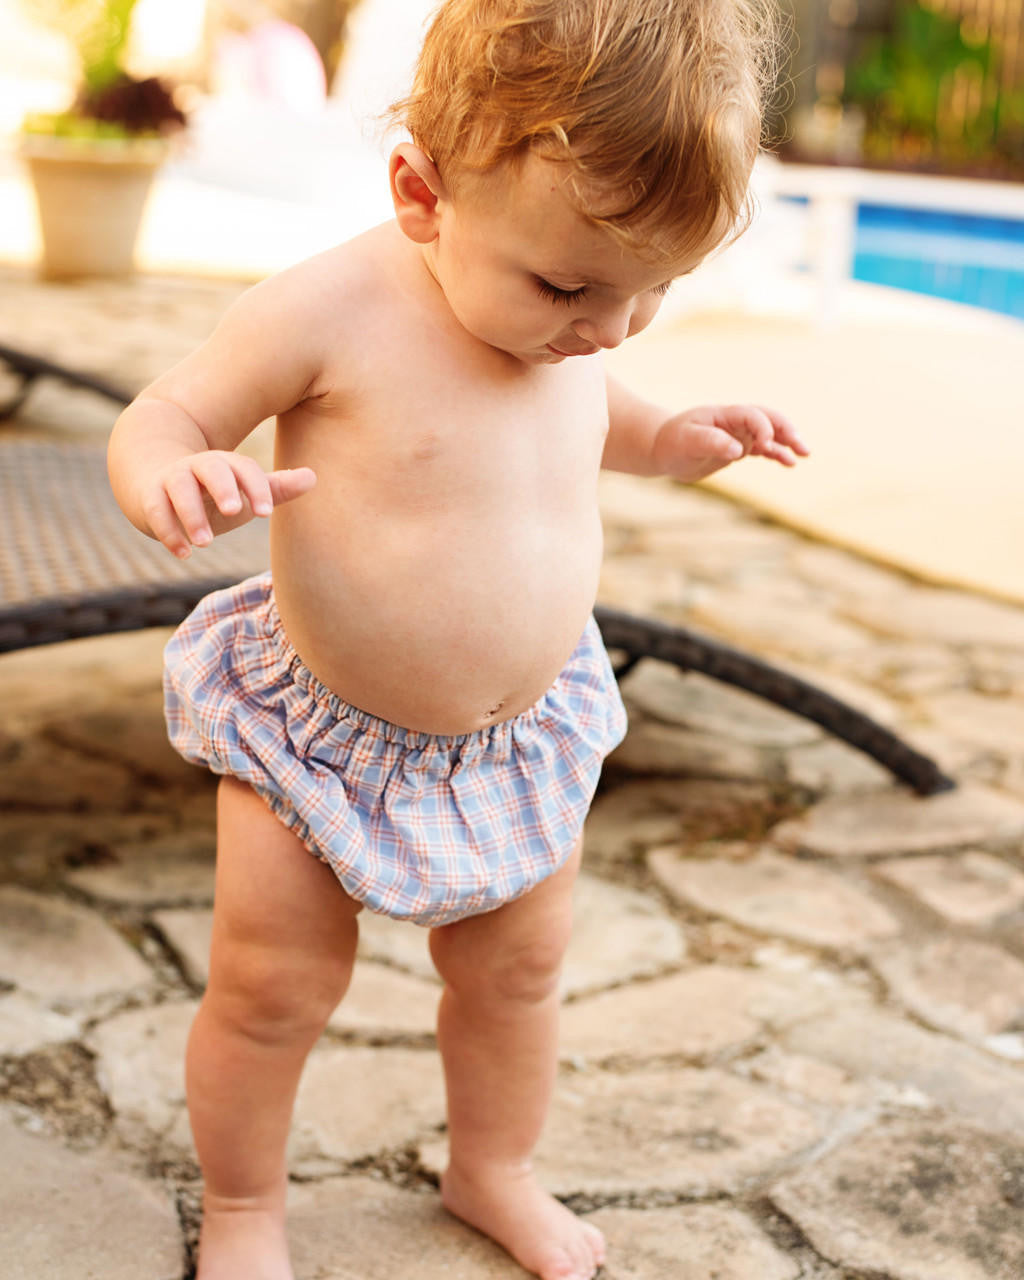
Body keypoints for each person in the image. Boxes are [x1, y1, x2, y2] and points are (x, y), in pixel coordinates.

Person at [108, 1, 806, 1276]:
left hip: (521, 740)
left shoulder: (571, 318)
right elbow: (169, 410)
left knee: (517, 981)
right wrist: (168, 471)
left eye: (656, 291)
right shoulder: (328, 310)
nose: (606, 327)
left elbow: (609, 411)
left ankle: (494, 1167)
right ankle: (247, 1205)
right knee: (270, 989)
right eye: (572, 287)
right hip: (313, 732)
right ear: (421, 194)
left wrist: (678, 437)